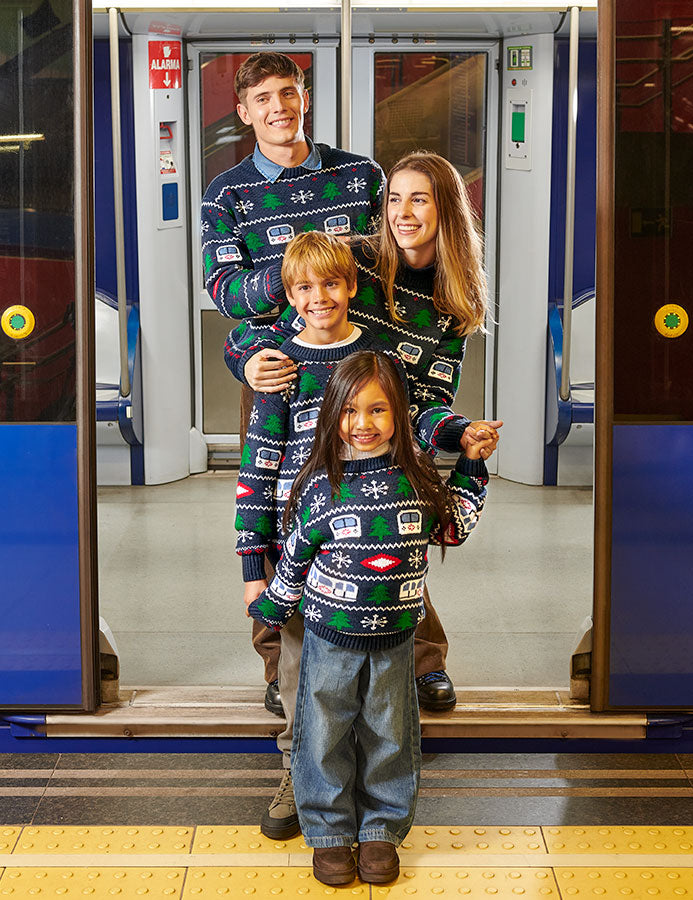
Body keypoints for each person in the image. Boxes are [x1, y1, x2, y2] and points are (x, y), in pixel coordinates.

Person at [231, 150, 503, 711]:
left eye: (419, 199)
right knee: (292, 557)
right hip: (303, 451)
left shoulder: (454, 303)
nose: (402, 213)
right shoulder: (355, 262)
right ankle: (282, 671)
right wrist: (250, 358)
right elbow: (267, 332)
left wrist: (460, 436)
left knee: (387, 545)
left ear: (447, 210)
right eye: (394, 198)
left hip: (383, 455)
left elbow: (425, 404)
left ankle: (419, 660)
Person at [247, 350, 493, 886]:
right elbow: (294, 558)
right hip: (328, 636)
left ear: (400, 414)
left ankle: (382, 830)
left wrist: (472, 464)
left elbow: (454, 527)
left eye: (379, 411)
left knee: (392, 734)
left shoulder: (420, 478)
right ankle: (330, 834)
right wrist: (271, 608)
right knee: (322, 734)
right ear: (333, 413)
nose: (364, 424)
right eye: (351, 411)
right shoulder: (317, 484)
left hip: (396, 640)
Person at [200, 50, 385, 724]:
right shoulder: (227, 196)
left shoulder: (361, 175)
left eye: (289, 92)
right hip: (277, 373)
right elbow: (225, 293)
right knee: (278, 512)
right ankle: (280, 665)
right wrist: (297, 281)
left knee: (385, 503)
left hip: (362, 370)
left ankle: (418, 661)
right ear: (244, 113)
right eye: (264, 100)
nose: (279, 107)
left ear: (304, 97)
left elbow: (391, 275)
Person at [236, 230, 403, 839]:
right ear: (288, 294)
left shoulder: (380, 356)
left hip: (369, 547)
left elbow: (408, 433)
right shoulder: (280, 362)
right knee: (299, 667)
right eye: (304, 287)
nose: (319, 298)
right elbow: (258, 466)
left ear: (352, 287)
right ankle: (297, 772)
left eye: (332, 284)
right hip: (297, 551)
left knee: (372, 676)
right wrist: (255, 567)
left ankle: (366, 781)